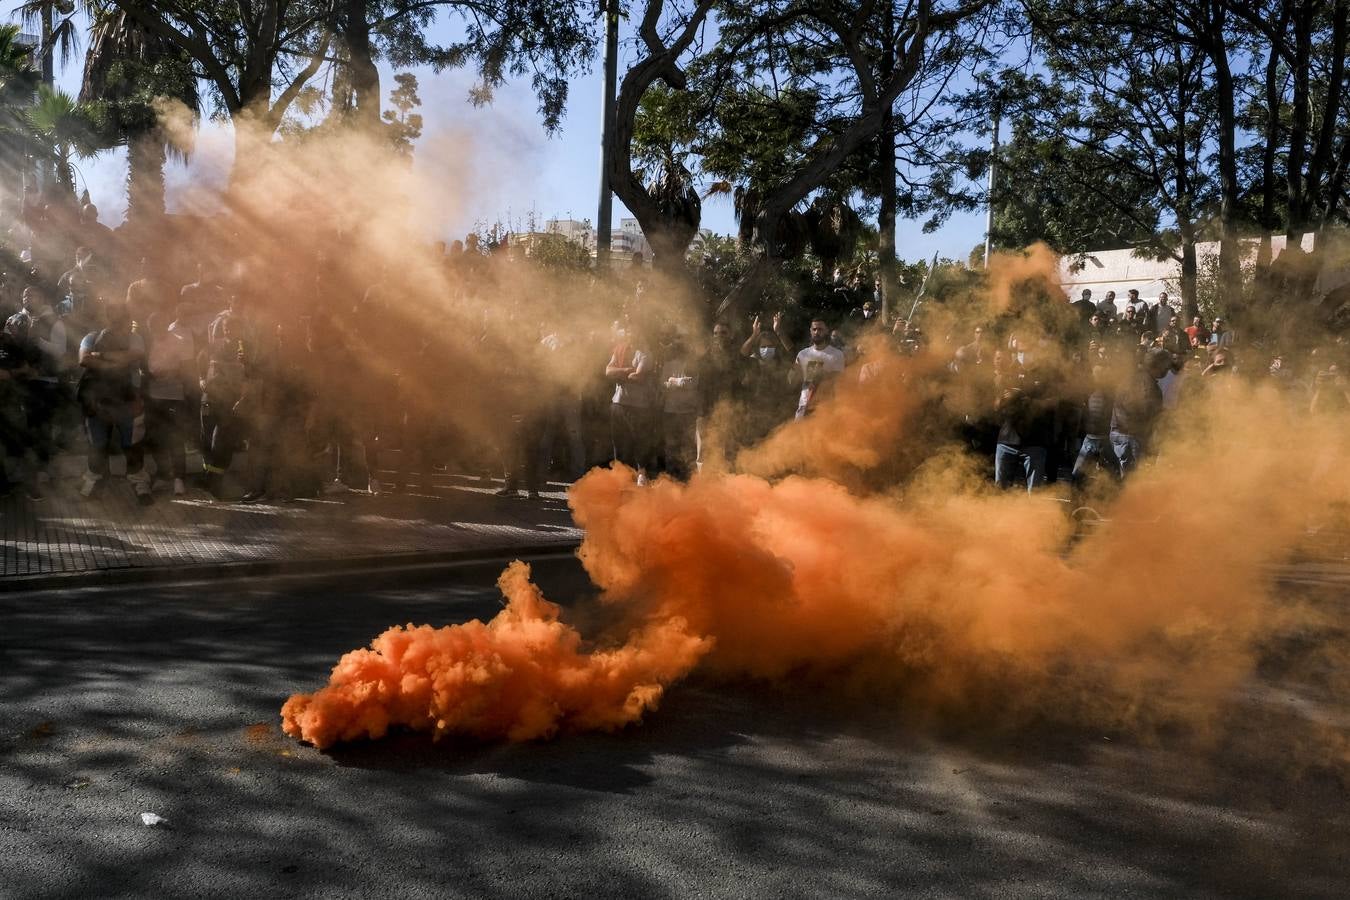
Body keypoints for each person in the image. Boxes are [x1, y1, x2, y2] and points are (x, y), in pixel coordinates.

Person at [76, 301, 151, 503]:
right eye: (110, 314)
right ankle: (95, 481)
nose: (114, 318)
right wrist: (112, 366)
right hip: (97, 400)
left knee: (132, 444)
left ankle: (139, 484)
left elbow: (133, 356)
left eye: (118, 314)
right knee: (97, 444)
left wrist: (101, 356)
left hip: (128, 399)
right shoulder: (91, 337)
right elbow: (83, 359)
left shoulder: (134, 337)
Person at [144, 305, 197, 496]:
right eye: (152, 329)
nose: (155, 332)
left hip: (174, 395)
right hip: (153, 396)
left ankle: (179, 478)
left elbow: (187, 369)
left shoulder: (178, 341)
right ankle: (162, 473)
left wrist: (172, 372)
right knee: (155, 438)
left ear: (164, 326)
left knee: (175, 438)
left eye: (158, 328)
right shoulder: (148, 342)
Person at [606, 321, 657, 485]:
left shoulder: (645, 353)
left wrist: (619, 373)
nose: (630, 335)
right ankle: (620, 477)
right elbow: (608, 371)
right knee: (619, 442)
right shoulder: (619, 349)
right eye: (628, 332)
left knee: (639, 441)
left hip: (639, 406)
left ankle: (641, 475)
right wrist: (627, 371)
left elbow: (638, 375)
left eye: (633, 332)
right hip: (618, 403)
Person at [1110, 347, 1171, 477]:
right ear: (1158, 364)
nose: (1168, 369)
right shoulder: (1148, 386)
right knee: (1134, 480)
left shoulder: (1132, 377)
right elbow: (1147, 412)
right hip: (1132, 438)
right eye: (1166, 365)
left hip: (1120, 433)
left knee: (1126, 477)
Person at [658, 326, 700, 480]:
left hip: (688, 412)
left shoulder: (694, 362)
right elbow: (662, 383)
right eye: (677, 338)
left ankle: (689, 481)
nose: (679, 342)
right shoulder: (668, 363)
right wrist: (678, 383)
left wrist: (673, 381)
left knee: (688, 449)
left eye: (683, 339)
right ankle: (671, 479)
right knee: (671, 447)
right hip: (670, 411)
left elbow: (693, 383)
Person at [1070, 363, 1119, 486]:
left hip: (1105, 439)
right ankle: (1076, 501)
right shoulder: (1089, 391)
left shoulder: (1111, 393)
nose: (1097, 377)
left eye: (1100, 374)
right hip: (1090, 439)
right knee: (1077, 474)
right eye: (1095, 374)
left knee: (1110, 475)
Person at [790, 317, 846, 419]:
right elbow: (793, 381)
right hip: (803, 407)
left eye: (820, 329)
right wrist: (793, 373)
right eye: (814, 329)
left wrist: (822, 374)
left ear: (826, 331)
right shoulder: (802, 354)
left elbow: (839, 381)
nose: (817, 332)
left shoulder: (836, 354)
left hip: (826, 408)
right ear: (810, 331)